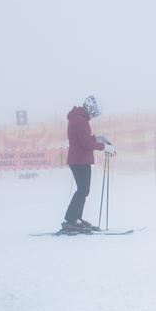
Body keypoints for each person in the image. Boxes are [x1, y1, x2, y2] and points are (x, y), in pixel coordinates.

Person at [63, 95, 116, 231]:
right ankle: (71, 219)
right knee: (82, 190)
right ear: (90, 109)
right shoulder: (80, 120)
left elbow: (84, 139)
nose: (93, 116)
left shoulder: (79, 118)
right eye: (94, 113)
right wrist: (104, 147)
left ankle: (76, 218)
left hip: (79, 159)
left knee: (83, 190)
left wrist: (98, 138)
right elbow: (85, 143)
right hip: (79, 160)